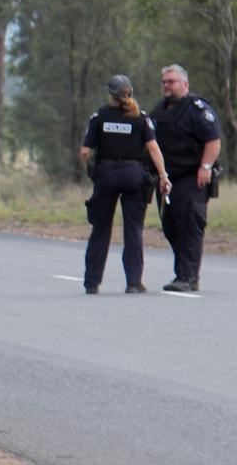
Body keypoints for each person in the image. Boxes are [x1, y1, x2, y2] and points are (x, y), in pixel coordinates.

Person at [78, 75, 171, 295]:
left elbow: (84, 151)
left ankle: (92, 282)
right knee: (133, 229)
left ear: (110, 93)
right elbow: (153, 148)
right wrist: (163, 175)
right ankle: (133, 282)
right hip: (133, 174)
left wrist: (88, 169)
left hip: (106, 174)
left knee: (100, 228)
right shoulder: (141, 117)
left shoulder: (100, 116)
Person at [149, 64, 222, 292]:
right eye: (164, 82)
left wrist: (206, 166)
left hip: (194, 177)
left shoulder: (197, 109)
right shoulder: (159, 111)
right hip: (168, 180)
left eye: (172, 81)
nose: (167, 85)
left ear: (185, 84)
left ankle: (189, 277)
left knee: (190, 225)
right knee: (170, 226)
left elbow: (213, 140)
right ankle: (182, 273)